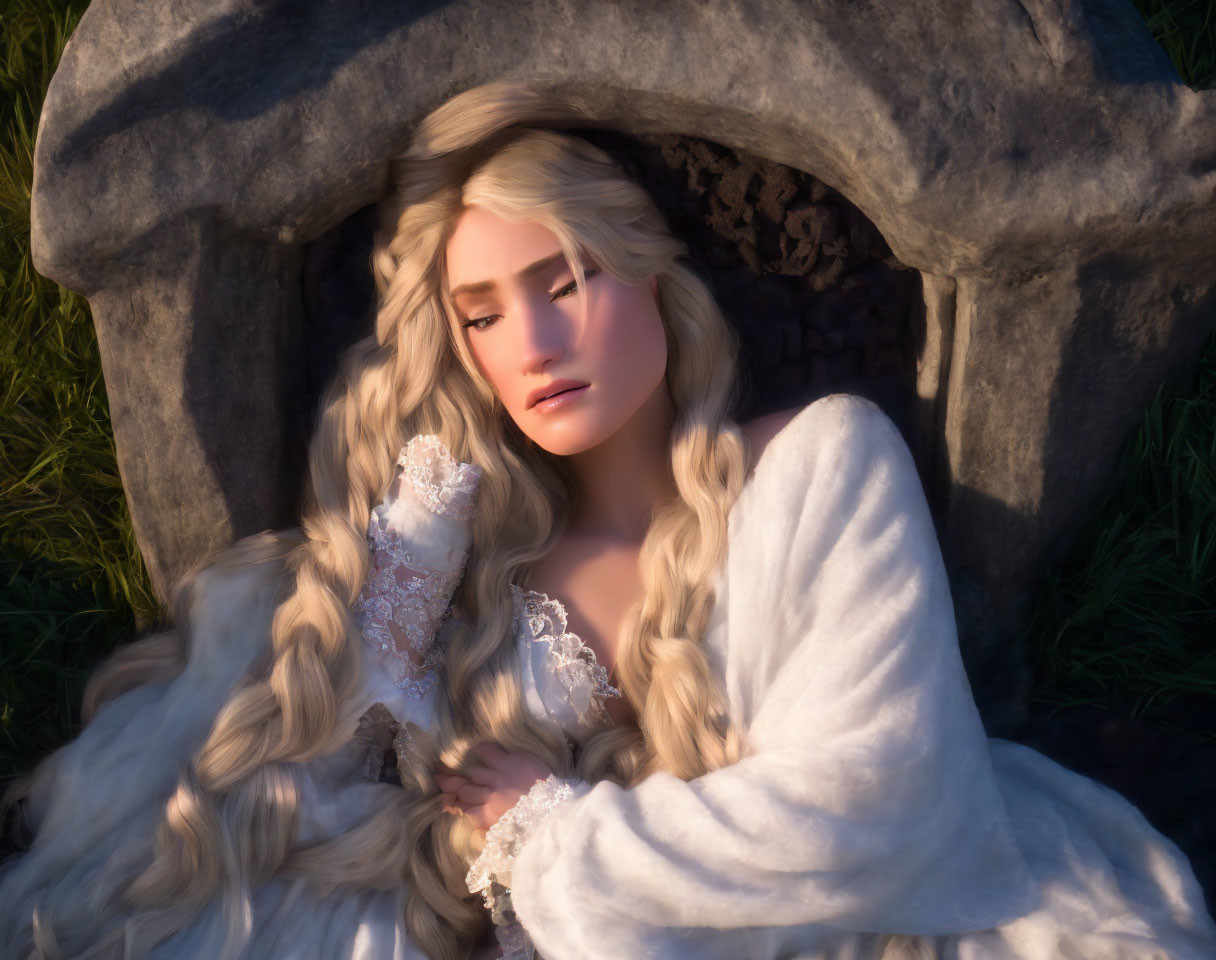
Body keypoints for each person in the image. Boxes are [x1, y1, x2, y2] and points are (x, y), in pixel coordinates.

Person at [2, 79, 1213, 960]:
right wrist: (418, 537)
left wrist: (556, 831)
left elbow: (881, 804)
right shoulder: (488, 560)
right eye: (478, 315)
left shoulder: (820, 464)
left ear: (650, 273)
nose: (528, 347)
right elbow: (331, 773)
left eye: (562, 280)